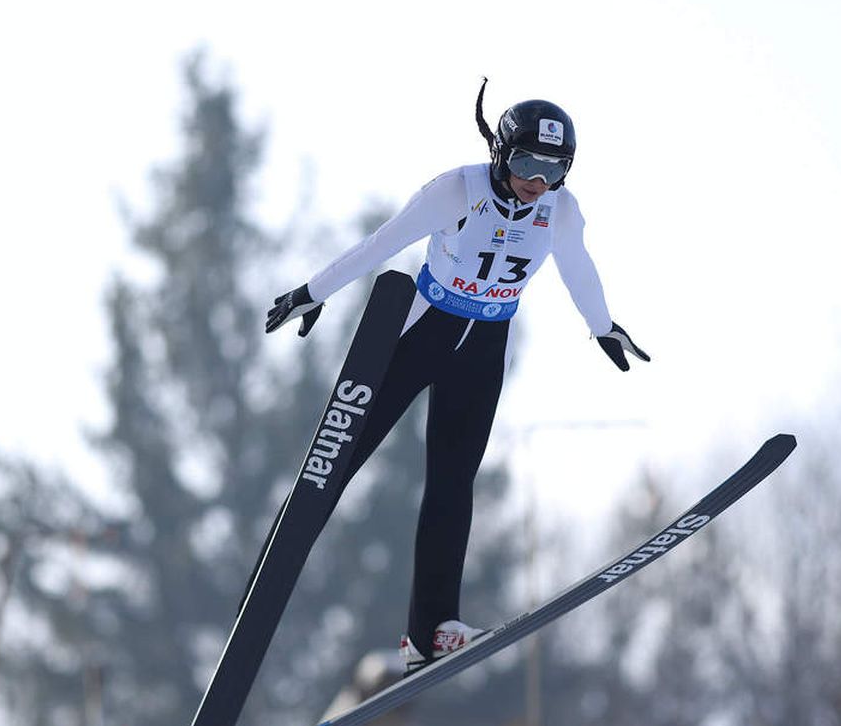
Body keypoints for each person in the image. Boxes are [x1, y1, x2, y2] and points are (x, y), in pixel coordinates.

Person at [264, 80, 649, 674]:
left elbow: (579, 268)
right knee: (341, 458)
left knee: (453, 484)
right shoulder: (458, 190)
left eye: (555, 169)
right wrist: (312, 293)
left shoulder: (560, 211)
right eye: (526, 162)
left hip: (484, 344)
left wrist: (603, 327)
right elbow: (380, 244)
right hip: (422, 333)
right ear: (499, 152)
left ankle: (430, 631)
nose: (537, 181)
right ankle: (271, 575)